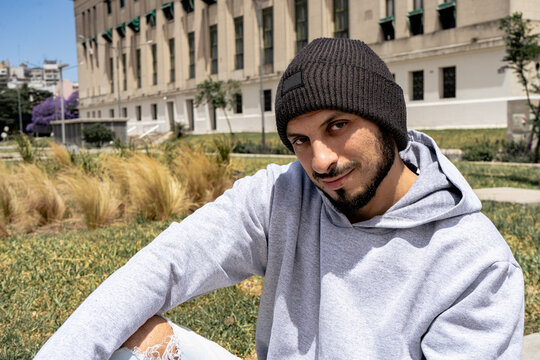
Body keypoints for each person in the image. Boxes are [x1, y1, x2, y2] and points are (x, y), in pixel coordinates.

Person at [34, 38, 524, 360]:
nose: (321, 161)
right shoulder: (283, 195)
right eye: (300, 140)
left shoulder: (476, 266)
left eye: (338, 126)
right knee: (131, 336)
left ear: (387, 124)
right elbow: (168, 264)